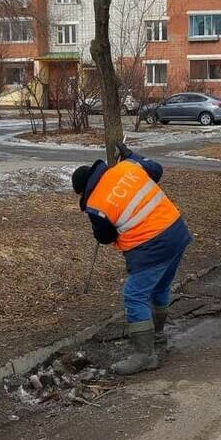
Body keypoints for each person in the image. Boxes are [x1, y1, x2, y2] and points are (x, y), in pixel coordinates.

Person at [71, 142, 192, 375]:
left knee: (134, 295)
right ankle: (156, 337)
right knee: (159, 288)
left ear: (82, 190)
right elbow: (156, 170)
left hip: (152, 246)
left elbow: (105, 237)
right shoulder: (127, 168)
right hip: (177, 232)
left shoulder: (96, 206)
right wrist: (132, 154)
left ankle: (145, 355)